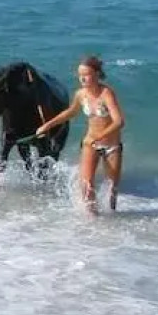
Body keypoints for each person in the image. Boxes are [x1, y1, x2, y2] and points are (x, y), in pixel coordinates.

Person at [35, 54, 126, 210]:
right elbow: (70, 112)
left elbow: (119, 121)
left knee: (112, 189)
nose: (82, 79)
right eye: (80, 76)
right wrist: (47, 126)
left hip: (111, 146)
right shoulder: (80, 94)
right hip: (90, 142)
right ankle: (92, 219)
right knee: (86, 185)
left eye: (87, 75)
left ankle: (112, 222)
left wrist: (99, 136)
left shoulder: (106, 94)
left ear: (97, 74)